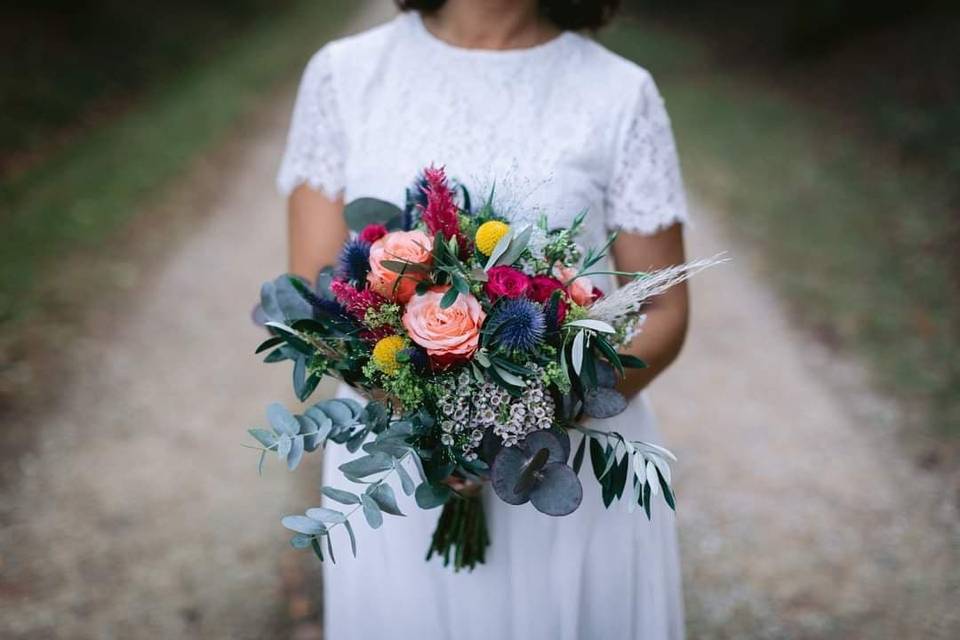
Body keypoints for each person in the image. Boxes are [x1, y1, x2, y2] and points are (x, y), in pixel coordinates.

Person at [277, 1, 689, 637]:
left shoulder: (620, 91)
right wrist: (431, 417)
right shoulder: (344, 74)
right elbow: (312, 293)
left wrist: (532, 414)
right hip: (399, 467)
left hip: (560, 464)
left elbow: (664, 306)